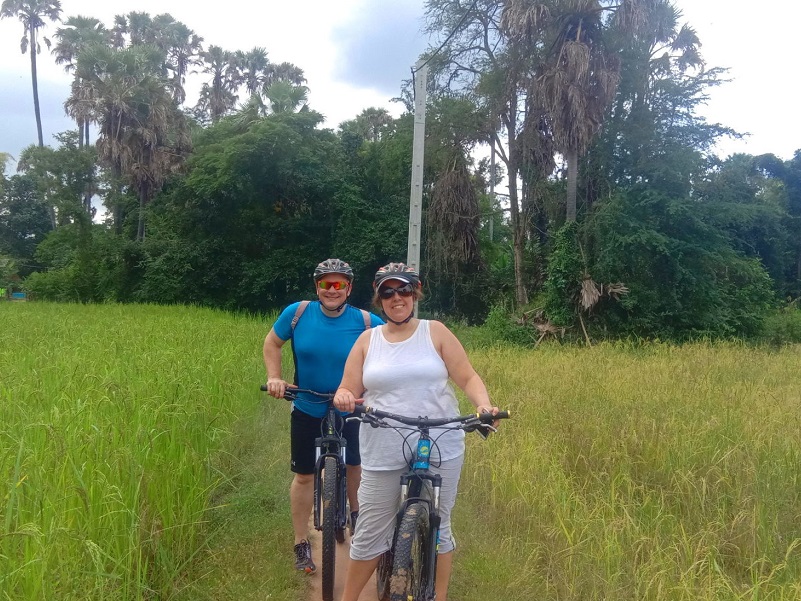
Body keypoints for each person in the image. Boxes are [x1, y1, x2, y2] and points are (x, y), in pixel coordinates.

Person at [333, 262, 499, 601]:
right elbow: (347, 388)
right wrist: (345, 396)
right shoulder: (368, 341)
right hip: (383, 438)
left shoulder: (435, 332)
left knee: (440, 522)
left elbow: (467, 376)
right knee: (370, 529)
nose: (397, 298)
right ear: (379, 299)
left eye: (404, 290)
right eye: (388, 292)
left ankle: (437, 596)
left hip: (441, 437)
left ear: (415, 292)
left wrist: (483, 406)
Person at [263, 258, 384, 574]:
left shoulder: (368, 322)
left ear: (349, 288)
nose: (332, 290)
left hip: (352, 407)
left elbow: (394, 350)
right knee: (304, 475)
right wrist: (275, 377)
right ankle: (301, 543)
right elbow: (272, 343)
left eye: (339, 284)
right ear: (317, 287)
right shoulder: (297, 314)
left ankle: (356, 515)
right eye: (326, 284)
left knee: (356, 465)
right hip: (307, 404)